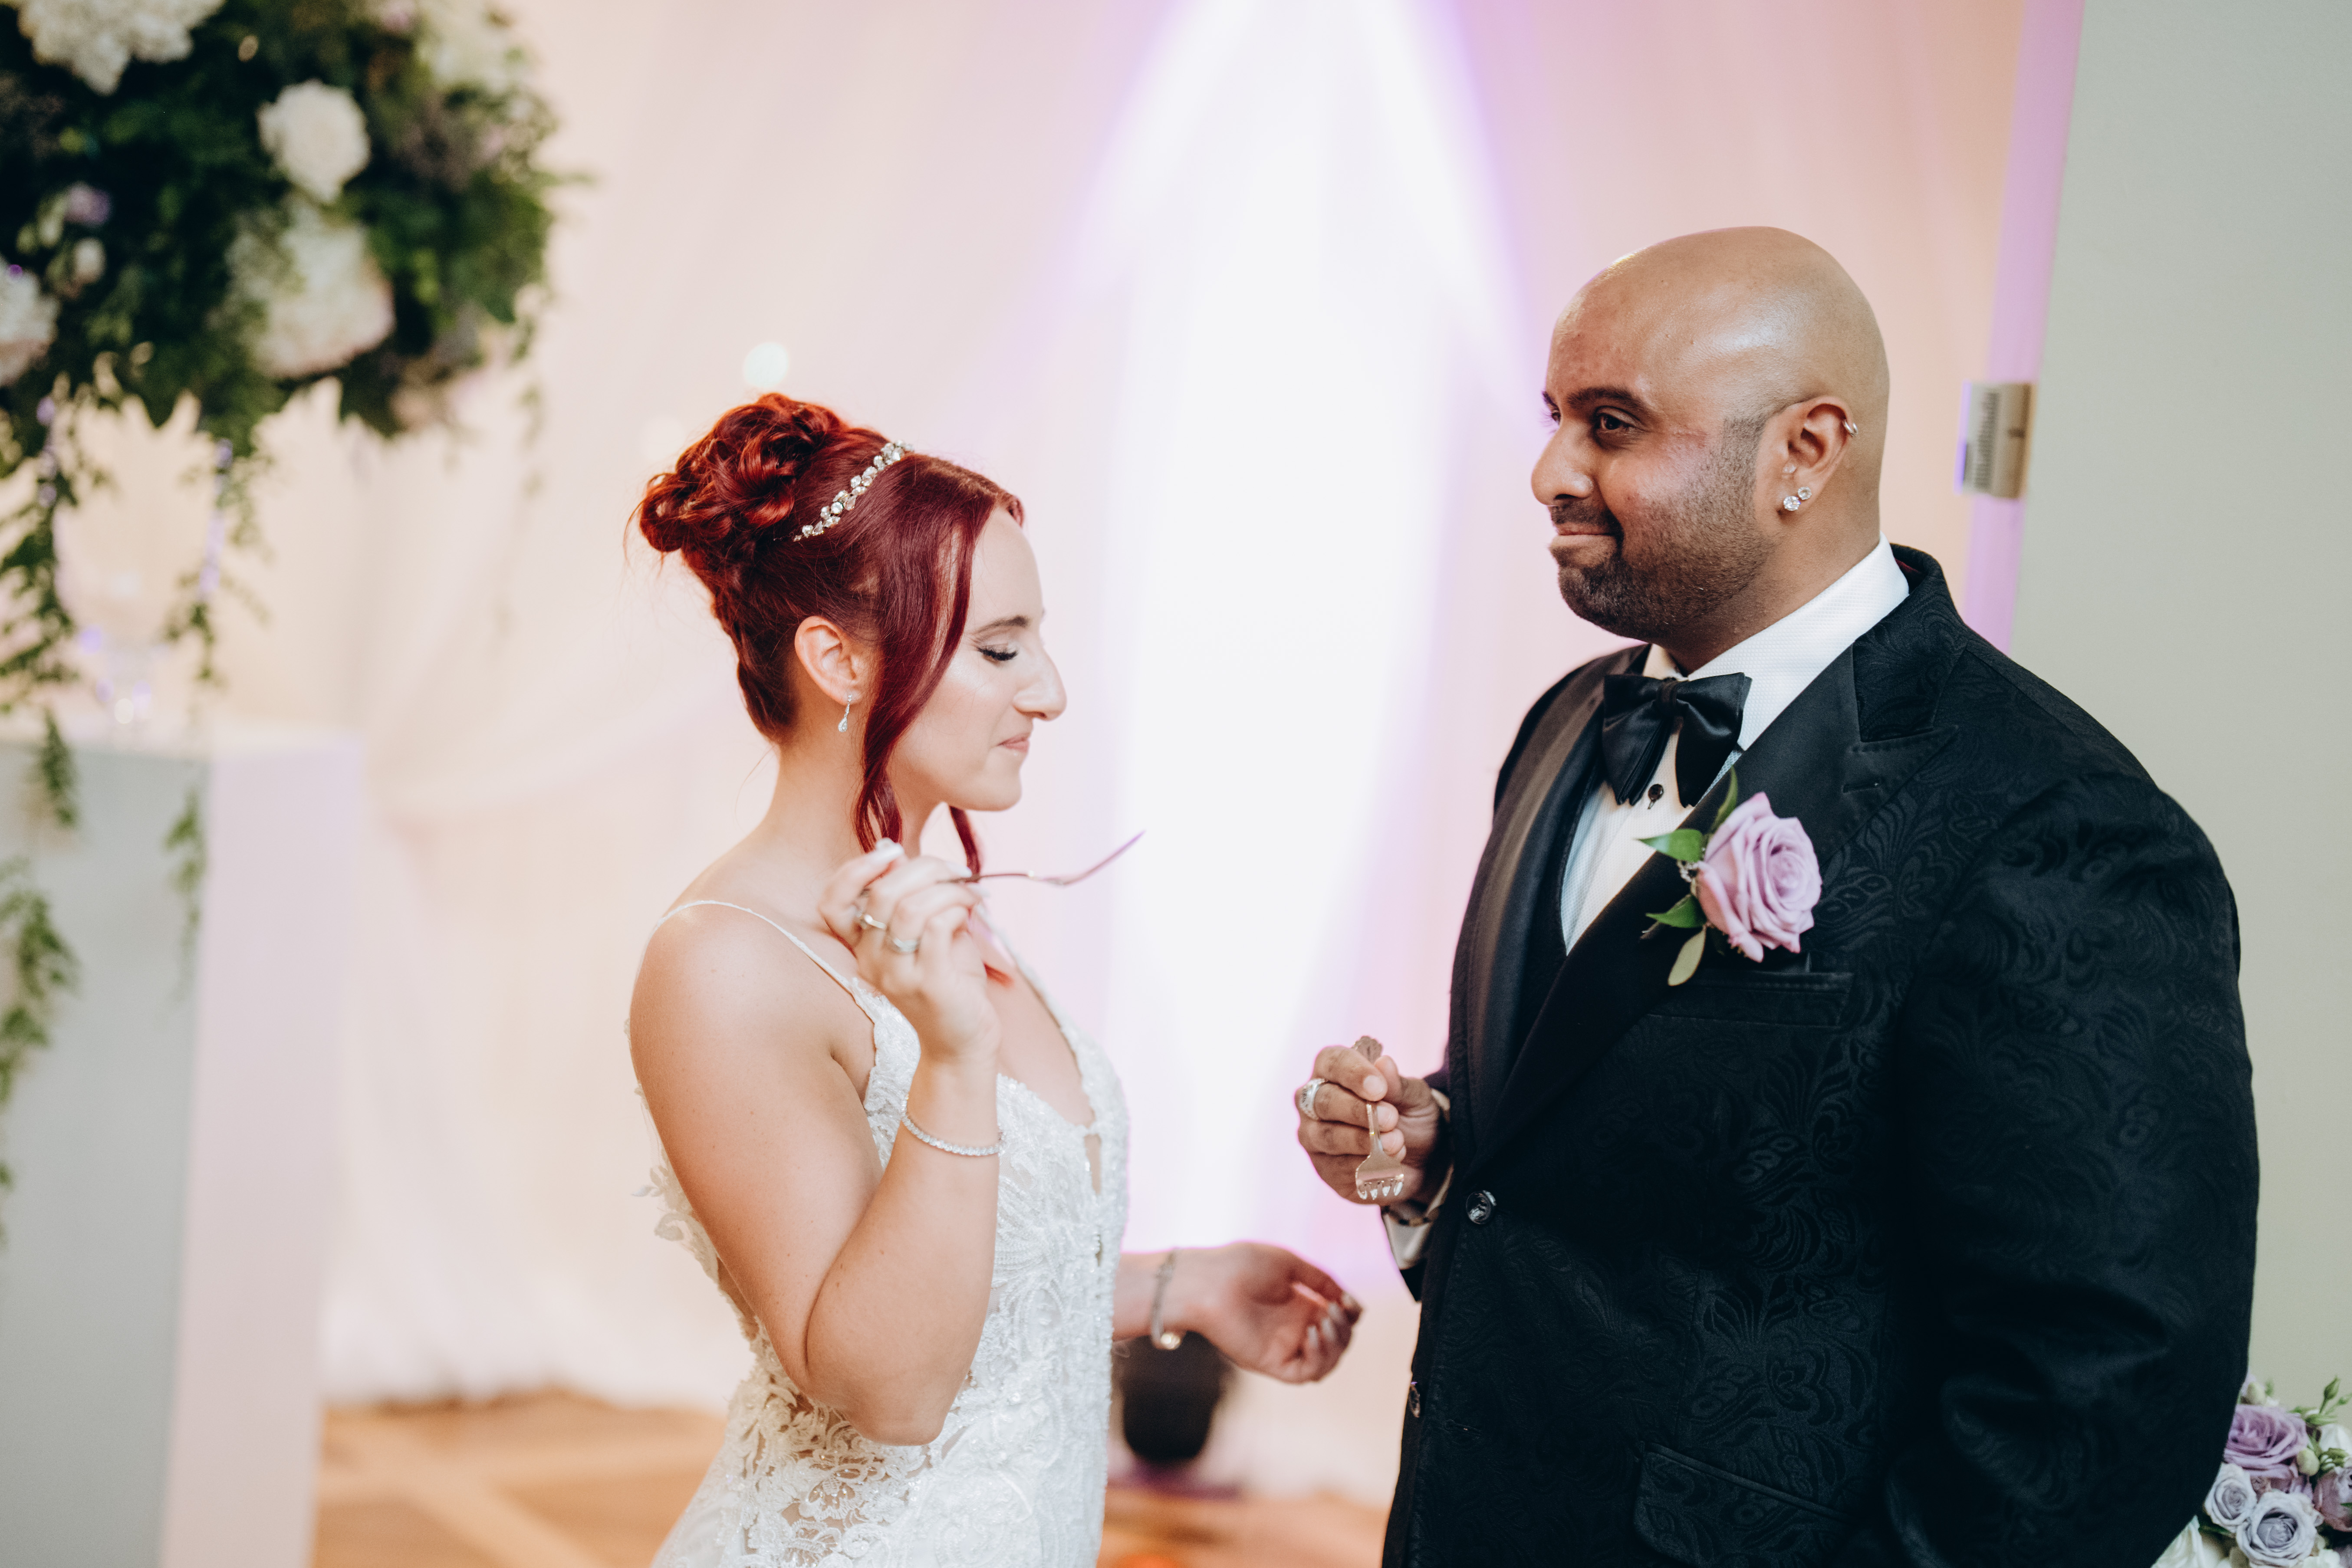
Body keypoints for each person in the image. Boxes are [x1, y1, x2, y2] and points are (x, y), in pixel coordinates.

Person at [1293, 228, 2258, 1566]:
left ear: (1803, 452)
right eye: (1554, 416)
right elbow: (1596, 1148)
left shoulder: (2054, 827)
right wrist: (1439, 1148)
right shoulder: (1569, 721)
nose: (1549, 471)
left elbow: (2107, 1387)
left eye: (1611, 424)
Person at [632, 394, 1360, 1568]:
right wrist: (956, 1058)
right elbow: (888, 1389)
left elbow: (973, 1279)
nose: (1050, 692)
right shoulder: (724, 962)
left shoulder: (931, 915)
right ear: (837, 659)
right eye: (1001, 648)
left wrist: (1181, 1289)